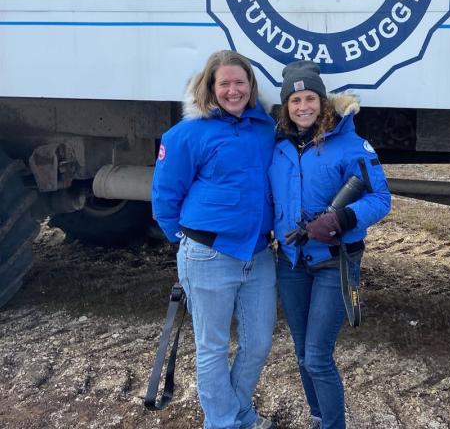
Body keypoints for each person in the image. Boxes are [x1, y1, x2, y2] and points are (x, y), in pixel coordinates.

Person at [152, 50, 276, 429]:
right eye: (225, 83)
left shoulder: (266, 129)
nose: (233, 90)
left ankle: (236, 413)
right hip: (208, 254)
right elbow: (165, 195)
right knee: (213, 348)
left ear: (251, 86)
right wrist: (186, 242)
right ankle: (223, 423)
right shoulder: (187, 134)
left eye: (240, 82)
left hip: (258, 253)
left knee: (257, 345)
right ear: (210, 87)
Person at [269, 61, 391, 429]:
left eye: (310, 98)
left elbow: (380, 199)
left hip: (333, 263)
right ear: (286, 106)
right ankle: (319, 418)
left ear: (323, 102)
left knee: (318, 357)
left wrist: (341, 219)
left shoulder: (351, 145)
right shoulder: (277, 146)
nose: (303, 106)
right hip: (291, 262)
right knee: (303, 354)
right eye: (295, 100)